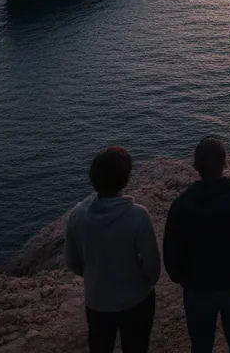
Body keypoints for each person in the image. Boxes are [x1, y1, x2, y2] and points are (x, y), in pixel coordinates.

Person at [162, 137, 230, 353]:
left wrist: (182, 278)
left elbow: (171, 251)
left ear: (195, 166)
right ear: (225, 162)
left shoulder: (181, 205)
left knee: (201, 345)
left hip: (197, 287)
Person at [65, 146, 162, 353]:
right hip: (136, 300)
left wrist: (94, 275)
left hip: (97, 301)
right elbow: (153, 268)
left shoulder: (77, 215)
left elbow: (72, 262)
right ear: (126, 178)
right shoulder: (138, 216)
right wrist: (142, 282)